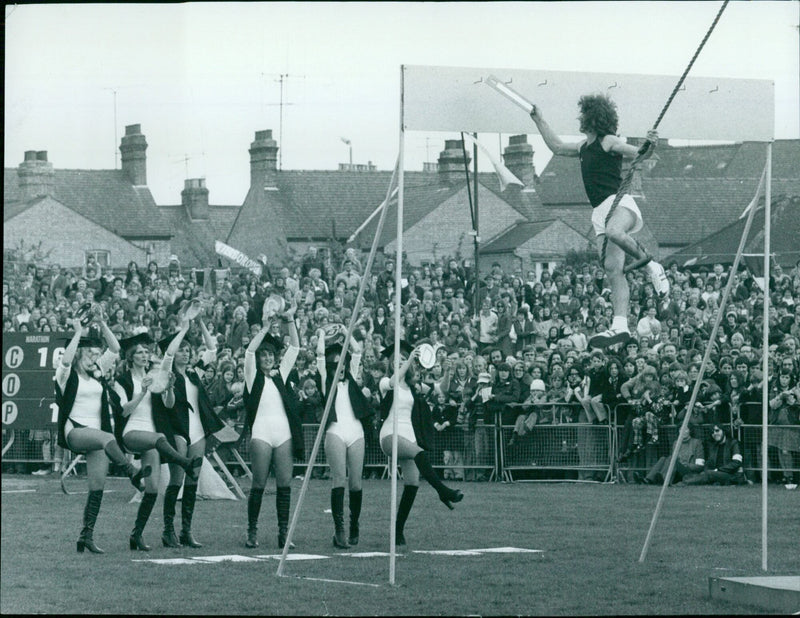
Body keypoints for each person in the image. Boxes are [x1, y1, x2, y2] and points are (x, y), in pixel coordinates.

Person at [530, 95, 669, 349]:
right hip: (599, 212)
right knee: (613, 269)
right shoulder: (583, 147)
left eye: (583, 115)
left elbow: (641, 154)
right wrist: (539, 120)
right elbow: (557, 147)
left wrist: (651, 145)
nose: (580, 119)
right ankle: (620, 324)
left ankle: (652, 267)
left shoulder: (608, 141)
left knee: (615, 231)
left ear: (593, 117)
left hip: (619, 203)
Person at [55, 315, 152, 554]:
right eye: (89, 354)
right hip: (75, 430)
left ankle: (85, 536)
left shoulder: (97, 372)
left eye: (96, 355)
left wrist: (101, 321)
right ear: (78, 353)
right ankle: (131, 473)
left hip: (97, 434)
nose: (95, 357)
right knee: (108, 438)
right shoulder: (67, 375)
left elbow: (115, 348)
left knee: (97, 486)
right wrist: (78, 332)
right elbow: (66, 362)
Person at [114, 332, 203, 551]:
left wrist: (170, 387)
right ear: (131, 357)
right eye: (140, 352)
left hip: (152, 439)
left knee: (152, 489)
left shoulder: (155, 378)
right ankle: (184, 462)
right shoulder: (122, 381)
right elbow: (123, 411)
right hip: (132, 432)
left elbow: (169, 405)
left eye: (146, 352)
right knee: (161, 438)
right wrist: (142, 392)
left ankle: (136, 535)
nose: (145, 355)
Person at [379, 341, 463, 546]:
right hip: (390, 434)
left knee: (412, 483)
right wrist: (408, 360)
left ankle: (398, 531)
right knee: (420, 454)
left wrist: (447, 372)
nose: (399, 364)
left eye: (403, 360)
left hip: (409, 436)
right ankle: (443, 492)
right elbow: (393, 381)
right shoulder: (385, 381)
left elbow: (440, 389)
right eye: (396, 361)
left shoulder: (413, 386)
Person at [153, 315, 224, 548]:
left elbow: (212, 350)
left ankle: (186, 530)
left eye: (188, 350)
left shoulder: (194, 373)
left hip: (198, 430)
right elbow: (168, 356)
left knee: (194, 478)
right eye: (182, 350)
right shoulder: (166, 375)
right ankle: (168, 530)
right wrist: (183, 330)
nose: (186, 353)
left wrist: (201, 321)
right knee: (177, 478)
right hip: (178, 429)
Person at [242, 300, 304, 550]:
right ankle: (252, 531)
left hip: (284, 434)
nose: (267, 358)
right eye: (263, 355)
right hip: (261, 433)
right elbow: (248, 353)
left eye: (270, 355)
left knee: (284, 484)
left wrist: (290, 320)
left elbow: (296, 348)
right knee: (258, 483)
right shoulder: (252, 376)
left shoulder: (282, 374)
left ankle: (283, 533)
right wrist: (265, 329)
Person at [315, 332, 372, 548]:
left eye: (341, 364)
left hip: (356, 431)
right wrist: (322, 334)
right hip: (335, 431)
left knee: (356, 482)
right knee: (339, 479)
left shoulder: (351, 381)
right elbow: (320, 355)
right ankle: (339, 530)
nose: (338, 369)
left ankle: (354, 524)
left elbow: (357, 351)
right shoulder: (325, 383)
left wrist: (345, 332)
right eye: (334, 366)